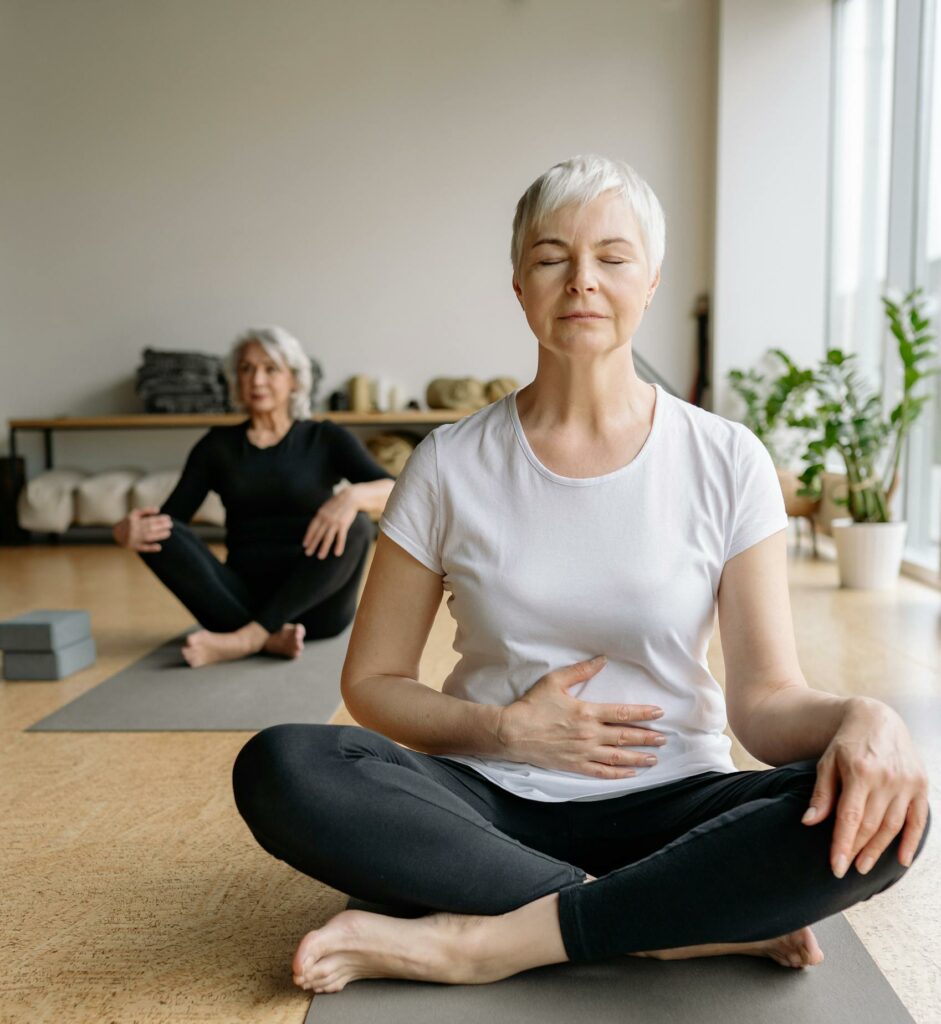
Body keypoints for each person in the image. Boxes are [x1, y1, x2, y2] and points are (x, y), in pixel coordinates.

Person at [232, 156, 931, 993]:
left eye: (612, 257)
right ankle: (667, 926)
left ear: (650, 280)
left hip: (674, 798)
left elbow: (763, 705)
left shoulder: (726, 459)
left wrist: (863, 716)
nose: (582, 282)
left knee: (887, 813)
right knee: (284, 767)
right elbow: (374, 683)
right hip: (486, 802)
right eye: (551, 256)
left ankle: (481, 944)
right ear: (520, 284)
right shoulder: (449, 463)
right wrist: (505, 733)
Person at [112, 326, 395, 668]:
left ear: (294, 380)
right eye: (247, 369)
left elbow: (396, 490)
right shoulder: (217, 446)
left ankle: (247, 639)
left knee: (359, 526)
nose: (257, 380)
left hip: (316, 608)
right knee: (159, 532)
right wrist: (125, 533)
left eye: (270, 369)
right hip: (239, 600)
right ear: (236, 380)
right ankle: (267, 637)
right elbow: (172, 521)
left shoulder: (324, 437)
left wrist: (352, 497)